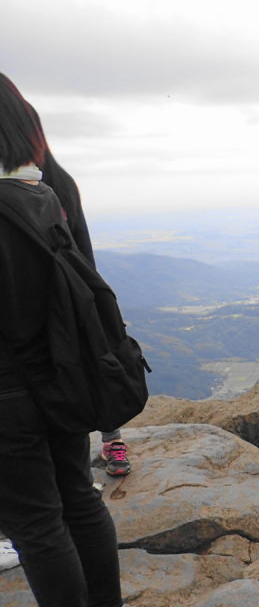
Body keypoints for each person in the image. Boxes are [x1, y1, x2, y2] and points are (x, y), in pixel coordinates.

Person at [0, 73, 125, 607]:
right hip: (62, 376)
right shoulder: (46, 193)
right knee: (76, 491)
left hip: (8, 391)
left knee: (33, 518)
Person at [32, 109, 132, 477]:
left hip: (65, 296)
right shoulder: (52, 182)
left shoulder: (49, 185)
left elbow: (79, 247)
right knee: (90, 362)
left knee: (88, 363)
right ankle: (111, 441)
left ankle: (110, 440)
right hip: (74, 294)